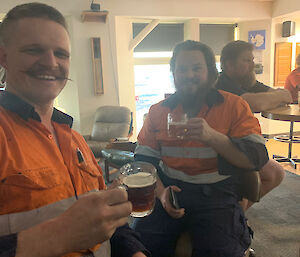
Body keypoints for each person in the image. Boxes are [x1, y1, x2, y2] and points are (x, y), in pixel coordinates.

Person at [0, 3, 148, 257]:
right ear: (3, 57)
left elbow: (105, 218)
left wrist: (136, 252)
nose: (50, 63)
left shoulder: (74, 138)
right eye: (34, 50)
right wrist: (57, 235)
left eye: (61, 54)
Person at [132, 40, 269, 257]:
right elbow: (143, 161)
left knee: (220, 251)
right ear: (174, 73)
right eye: (182, 69)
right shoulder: (158, 111)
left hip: (217, 195)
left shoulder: (234, 106)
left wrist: (212, 137)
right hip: (171, 191)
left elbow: (256, 158)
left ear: (210, 72)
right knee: (140, 245)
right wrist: (161, 193)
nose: (189, 75)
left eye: (197, 68)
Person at [216, 40, 289, 210]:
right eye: (246, 60)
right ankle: (235, 212)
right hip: (224, 149)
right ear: (229, 64)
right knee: (271, 174)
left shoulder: (246, 82)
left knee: (275, 173)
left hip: (243, 144)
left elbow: (284, 94)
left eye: (252, 60)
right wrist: (270, 97)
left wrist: (271, 97)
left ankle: (236, 212)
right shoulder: (222, 83)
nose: (252, 65)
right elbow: (252, 102)